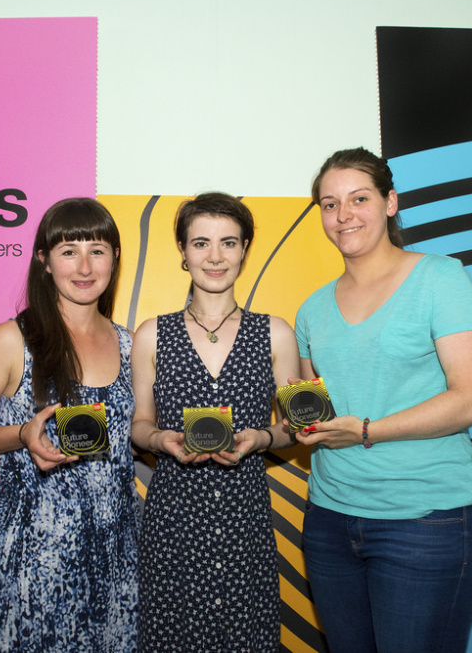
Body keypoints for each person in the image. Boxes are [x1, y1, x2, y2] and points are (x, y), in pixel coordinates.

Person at [294, 148, 472, 652]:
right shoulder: (312, 309)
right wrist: (305, 426)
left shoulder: (440, 278)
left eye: (359, 199)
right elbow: (312, 409)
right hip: (329, 523)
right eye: (329, 204)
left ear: (390, 202)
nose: (343, 215)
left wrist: (367, 430)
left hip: (425, 522)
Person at [0, 197, 138, 652]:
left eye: (98, 248)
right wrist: (21, 435)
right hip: (33, 550)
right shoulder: (13, 340)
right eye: (69, 250)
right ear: (44, 261)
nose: (85, 265)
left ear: (114, 258)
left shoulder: (130, 344)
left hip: (115, 549)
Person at [130, 192, 300, 652]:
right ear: (183, 253)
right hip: (175, 521)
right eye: (201, 242)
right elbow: (138, 424)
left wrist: (262, 437)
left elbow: (296, 426)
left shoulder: (276, 332)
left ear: (245, 249)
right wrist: (161, 440)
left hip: (244, 517)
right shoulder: (151, 333)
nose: (215, 256)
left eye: (228, 242)